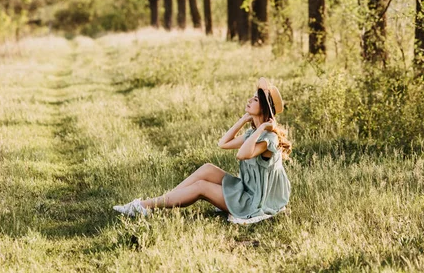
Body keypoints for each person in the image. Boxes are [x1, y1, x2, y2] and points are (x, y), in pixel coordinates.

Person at [113, 77, 292, 220]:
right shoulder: (252, 133)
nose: (249, 100)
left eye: (254, 99)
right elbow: (223, 144)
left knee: (201, 187)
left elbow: (241, 154)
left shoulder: (269, 138)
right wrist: (243, 120)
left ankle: (144, 206)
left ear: (264, 109)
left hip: (254, 202)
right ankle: (160, 201)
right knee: (207, 168)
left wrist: (261, 128)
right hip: (246, 190)